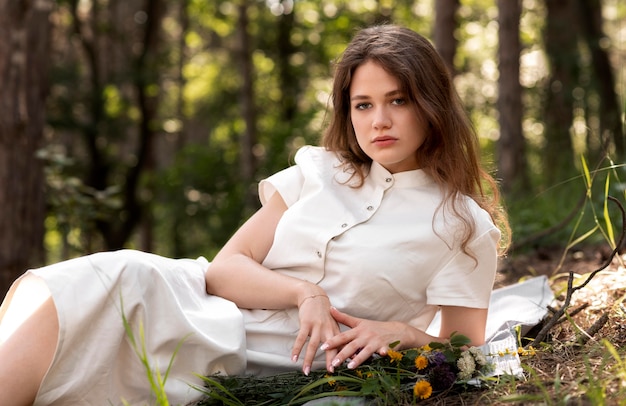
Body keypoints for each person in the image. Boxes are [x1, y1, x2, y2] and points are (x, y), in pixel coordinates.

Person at [0, 24, 510, 406]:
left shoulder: (462, 228)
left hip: (251, 353)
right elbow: (224, 270)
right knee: (109, 278)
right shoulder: (321, 170)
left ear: (431, 103)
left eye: (397, 100)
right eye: (362, 105)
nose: (378, 121)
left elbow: (466, 352)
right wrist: (304, 293)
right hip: (191, 299)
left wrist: (402, 332)